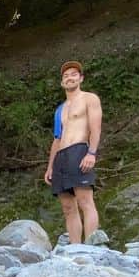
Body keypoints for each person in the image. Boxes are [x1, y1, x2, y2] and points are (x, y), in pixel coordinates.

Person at [44, 60, 102, 244]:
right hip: (61, 156)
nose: (69, 78)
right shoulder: (60, 109)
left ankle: (92, 246)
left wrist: (91, 153)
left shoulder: (89, 98)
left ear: (81, 78)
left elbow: (96, 127)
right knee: (68, 206)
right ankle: (74, 249)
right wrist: (50, 166)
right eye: (66, 76)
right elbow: (57, 139)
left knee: (85, 200)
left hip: (79, 149)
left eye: (73, 74)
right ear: (62, 82)